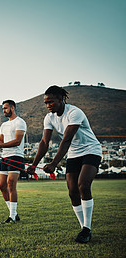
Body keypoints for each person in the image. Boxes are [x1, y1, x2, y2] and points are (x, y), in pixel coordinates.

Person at [26, 85, 102, 243]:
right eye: (46, 103)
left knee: (83, 185)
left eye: (51, 102)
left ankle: (86, 229)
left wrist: (54, 163)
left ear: (61, 99)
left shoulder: (75, 113)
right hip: (74, 153)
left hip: (91, 150)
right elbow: (44, 142)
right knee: (72, 191)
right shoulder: (49, 118)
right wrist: (34, 165)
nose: (48, 106)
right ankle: (84, 229)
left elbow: (67, 139)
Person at [0, 100, 26, 224]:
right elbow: (0, 141)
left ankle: (12, 216)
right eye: (3, 108)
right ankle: (14, 213)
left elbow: (17, 141)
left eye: (6, 108)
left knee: (11, 184)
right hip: (4, 157)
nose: (4, 111)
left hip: (16, 156)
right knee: (2, 186)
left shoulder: (20, 122)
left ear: (12, 108)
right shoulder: (3, 125)